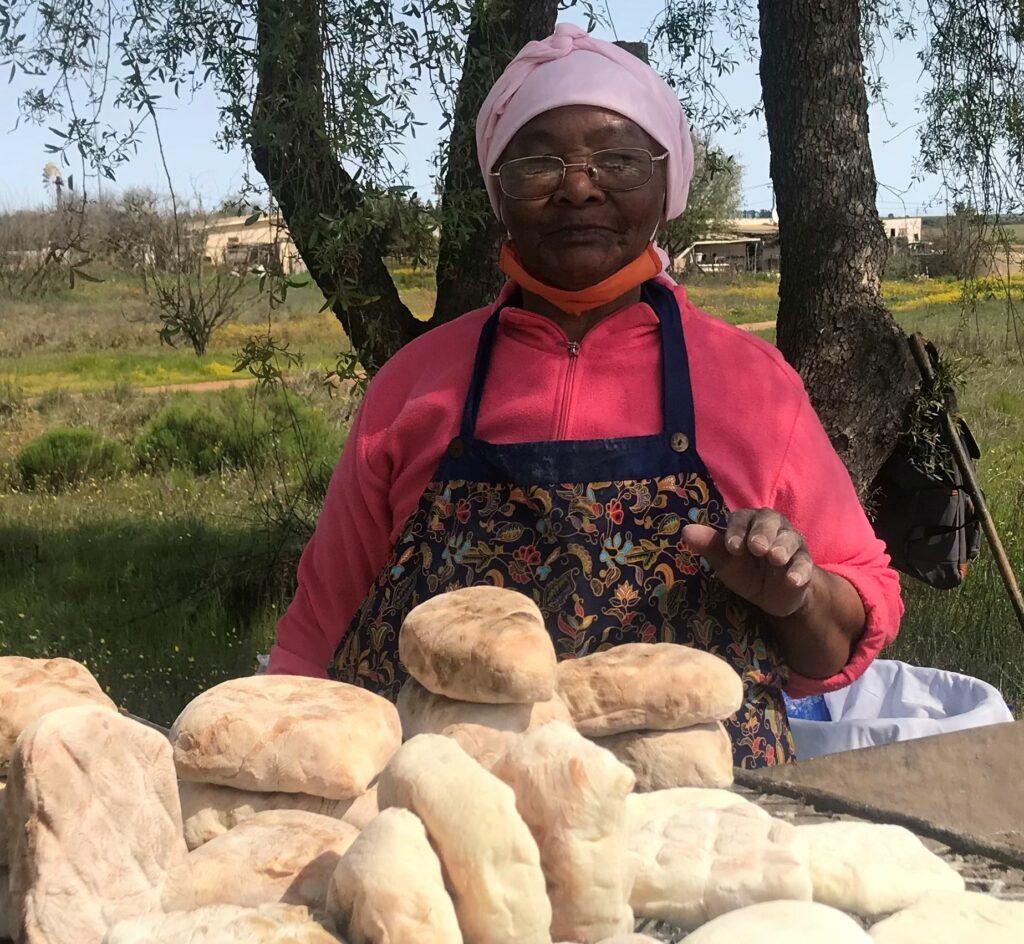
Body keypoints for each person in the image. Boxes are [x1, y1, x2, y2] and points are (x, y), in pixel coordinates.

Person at [268, 23, 903, 768]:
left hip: (697, 829)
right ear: (497, 188)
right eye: (539, 161)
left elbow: (838, 639)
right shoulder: (414, 385)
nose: (578, 185)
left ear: (667, 186)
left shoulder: (753, 385)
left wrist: (795, 592)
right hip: (448, 824)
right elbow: (318, 631)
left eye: (619, 161)